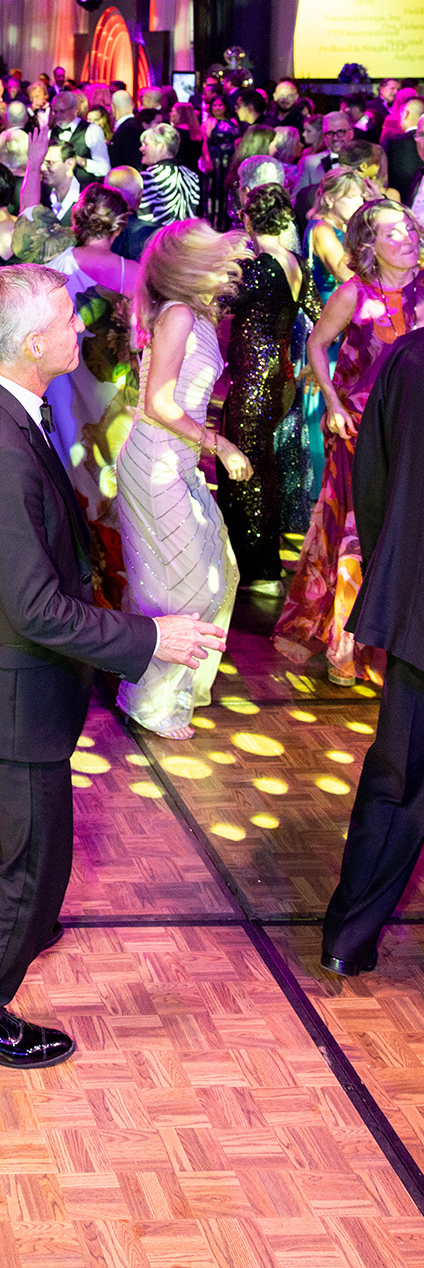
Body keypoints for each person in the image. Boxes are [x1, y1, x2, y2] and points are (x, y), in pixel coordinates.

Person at [0, 263, 223, 1069]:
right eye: (65, 320)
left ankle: (2, 927)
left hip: (4, 673)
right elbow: (37, 609)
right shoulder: (0, 446)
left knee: (19, 854)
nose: (79, 330)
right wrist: (151, 639)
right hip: (15, 683)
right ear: (31, 344)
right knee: (29, 864)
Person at [274, 201, 424, 687]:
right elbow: (317, 344)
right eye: (393, 234)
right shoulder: (352, 294)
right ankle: (345, 644)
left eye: (409, 230)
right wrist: (335, 403)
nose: (407, 239)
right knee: (357, 535)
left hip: (414, 433)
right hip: (361, 430)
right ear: (368, 246)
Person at [115, 221, 249, 739]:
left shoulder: (190, 313)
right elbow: (159, 403)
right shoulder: (176, 315)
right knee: (186, 587)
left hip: (175, 461)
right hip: (156, 464)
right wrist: (221, 443)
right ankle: (147, 698)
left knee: (218, 571)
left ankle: (176, 687)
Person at [319, 327, 424, 976]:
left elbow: (374, 479)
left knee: (398, 777)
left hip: (420, 607)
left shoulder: (410, 355)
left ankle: (347, 938)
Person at [42, 185, 140, 609]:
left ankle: (81, 592)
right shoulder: (137, 275)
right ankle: (126, 586)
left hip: (67, 398)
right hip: (120, 396)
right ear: (119, 225)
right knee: (119, 487)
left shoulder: (52, 272)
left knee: (75, 480)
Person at [216, 184, 317, 591]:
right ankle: (262, 565)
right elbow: (321, 315)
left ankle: (259, 571)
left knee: (246, 471)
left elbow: (220, 302)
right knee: (262, 468)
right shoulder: (295, 262)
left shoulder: (261, 267)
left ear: (249, 218)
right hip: (280, 378)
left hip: (256, 381)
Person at [137, 121, 202, 230]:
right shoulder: (191, 175)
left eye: (146, 144)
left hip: (160, 240)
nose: (141, 148)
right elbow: (192, 215)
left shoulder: (151, 175)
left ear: (161, 147)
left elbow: (144, 218)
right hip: (185, 237)